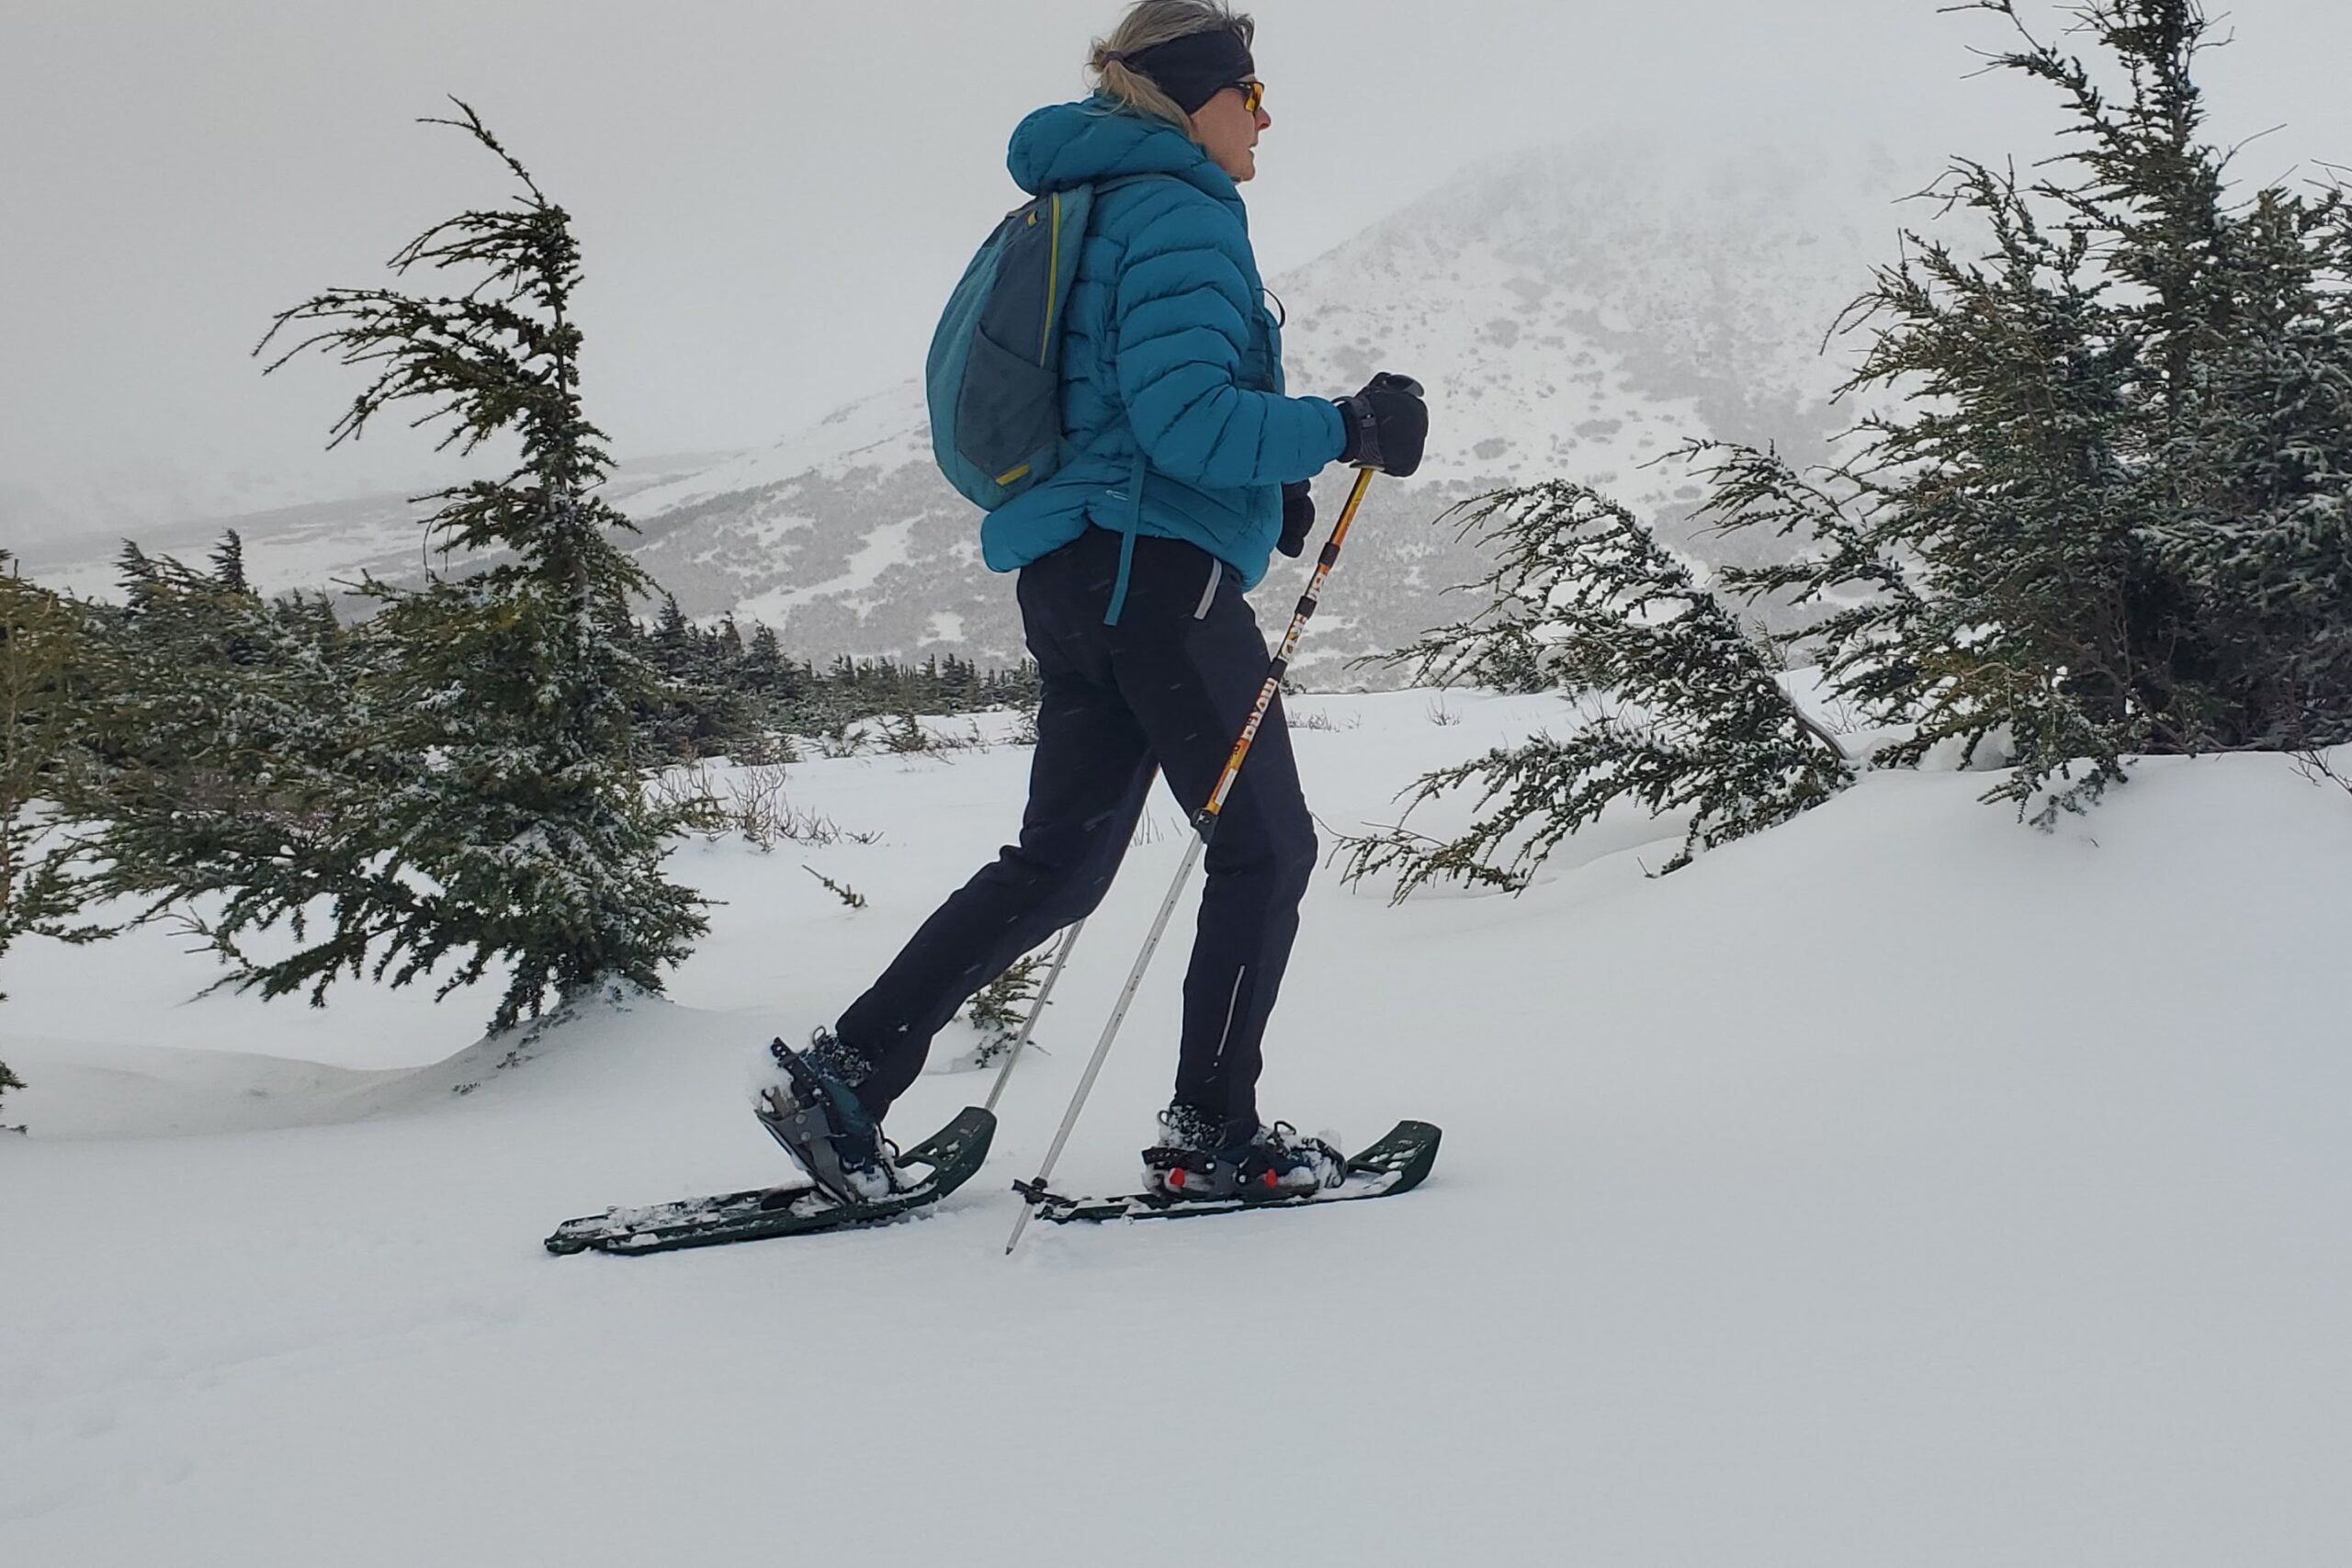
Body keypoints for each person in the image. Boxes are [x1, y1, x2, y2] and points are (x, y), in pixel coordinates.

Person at [755, 0, 1430, 1205]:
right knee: (1266, 849)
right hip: (1153, 583)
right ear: (1199, 96)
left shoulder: (1091, 201)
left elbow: (1128, 413)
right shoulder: (1179, 211)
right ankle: (1213, 1131)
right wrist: (1344, 428)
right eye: (1254, 97)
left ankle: (843, 1082)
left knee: (1058, 866)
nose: (1266, 122)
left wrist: (1261, 488)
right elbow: (1182, 416)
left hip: (1079, 578)